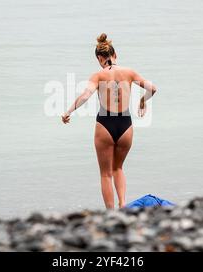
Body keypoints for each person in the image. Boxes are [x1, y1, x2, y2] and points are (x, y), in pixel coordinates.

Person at [62, 33, 157, 209]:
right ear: (115, 55)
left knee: (106, 174)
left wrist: (68, 111)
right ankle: (122, 205)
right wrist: (143, 100)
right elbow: (152, 88)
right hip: (126, 125)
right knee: (118, 168)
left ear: (100, 58)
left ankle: (111, 213)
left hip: (105, 124)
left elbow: (85, 96)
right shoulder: (129, 72)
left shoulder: (98, 76)